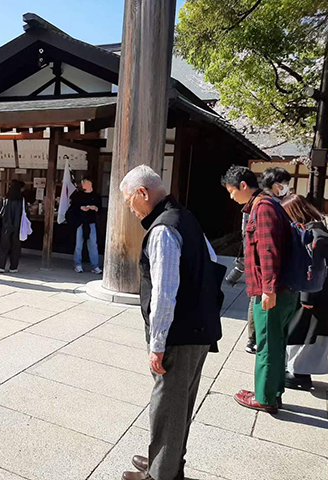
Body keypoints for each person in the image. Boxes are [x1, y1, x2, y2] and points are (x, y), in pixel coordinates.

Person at [119, 166, 224, 480]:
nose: (129, 208)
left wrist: (157, 344)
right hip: (200, 329)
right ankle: (164, 462)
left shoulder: (163, 229)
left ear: (143, 193)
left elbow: (164, 293)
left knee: (167, 406)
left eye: (129, 200)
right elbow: (214, 262)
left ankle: (161, 474)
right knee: (180, 405)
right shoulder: (185, 216)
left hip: (180, 334)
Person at [221, 165, 296, 413]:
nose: (231, 197)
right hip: (279, 289)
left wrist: (268, 288)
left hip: (273, 290)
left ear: (243, 186)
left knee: (266, 343)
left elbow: (268, 251)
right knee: (275, 341)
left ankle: (264, 398)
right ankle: (272, 392)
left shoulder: (263, 208)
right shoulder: (266, 204)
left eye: (231, 192)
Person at [282, 195, 328, 390]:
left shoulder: (313, 233)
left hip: (315, 293)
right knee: (309, 332)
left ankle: (298, 372)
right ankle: (298, 370)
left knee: (304, 332)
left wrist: (307, 295)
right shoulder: (318, 228)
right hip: (323, 292)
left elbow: (316, 266)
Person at [70, 176, 102, 274]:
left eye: (85, 182)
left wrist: (95, 208)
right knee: (78, 245)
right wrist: (81, 208)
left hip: (91, 222)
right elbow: (73, 207)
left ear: (90, 183)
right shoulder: (78, 195)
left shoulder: (96, 196)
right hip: (80, 222)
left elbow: (100, 209)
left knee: (93, 245)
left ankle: (95, 266)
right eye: (82, 182)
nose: (83, 184)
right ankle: (77, 264)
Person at [0, 180, 25, 273]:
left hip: (6, 226)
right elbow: (26, 214)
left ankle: (0, 266)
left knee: (4, 247)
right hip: (18, 227)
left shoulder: (4, 199)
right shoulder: (22, 201)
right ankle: (13, 267)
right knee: (16, 248)